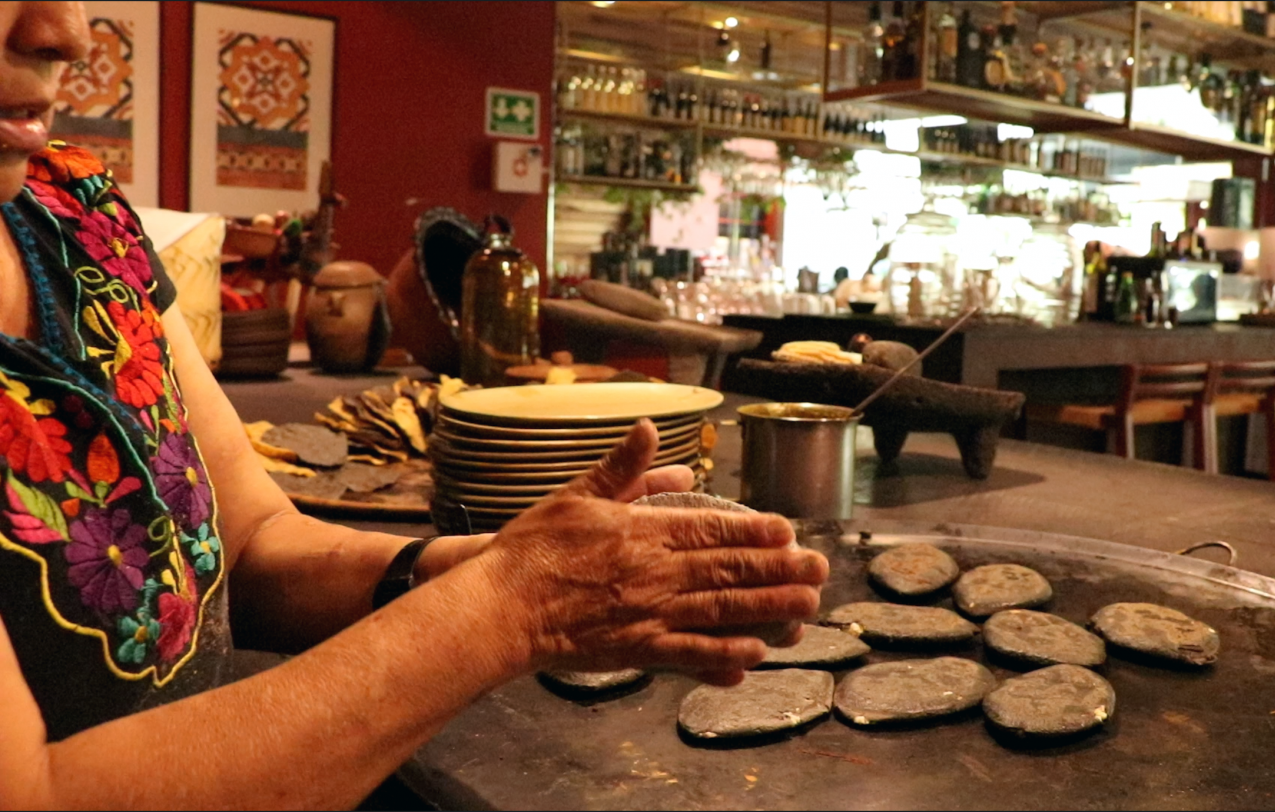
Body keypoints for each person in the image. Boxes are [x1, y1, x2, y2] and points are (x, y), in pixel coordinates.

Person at [0, 4, 828, 808]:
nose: (64, 31)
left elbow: (248, 548)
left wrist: (492, 563)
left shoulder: (80, 216)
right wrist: (511, 608)